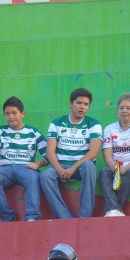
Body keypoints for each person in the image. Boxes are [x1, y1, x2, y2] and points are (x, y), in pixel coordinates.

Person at [40, 88, 102, 218]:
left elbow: (94, 152)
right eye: (78, 103)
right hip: (61, 166)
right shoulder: (56, 123)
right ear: (70, 103)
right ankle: (65, 217)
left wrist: (73, 168)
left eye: (86, 104)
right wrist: (59, 169)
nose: (82, 107)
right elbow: (50, 151)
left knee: (89, 166)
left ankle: (86, 216)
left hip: (81, 167)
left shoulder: (94, 124)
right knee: (46, 176)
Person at [0, 96, 48, 222]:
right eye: (7, 114)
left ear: (22, 113)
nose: (11, 116)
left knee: (34, 176)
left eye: (14, 113)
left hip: (25, 169)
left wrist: (37, 164)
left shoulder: (34, 132)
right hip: (4, 170)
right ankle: (7, 215)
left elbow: (48, 154)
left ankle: (32, 216)